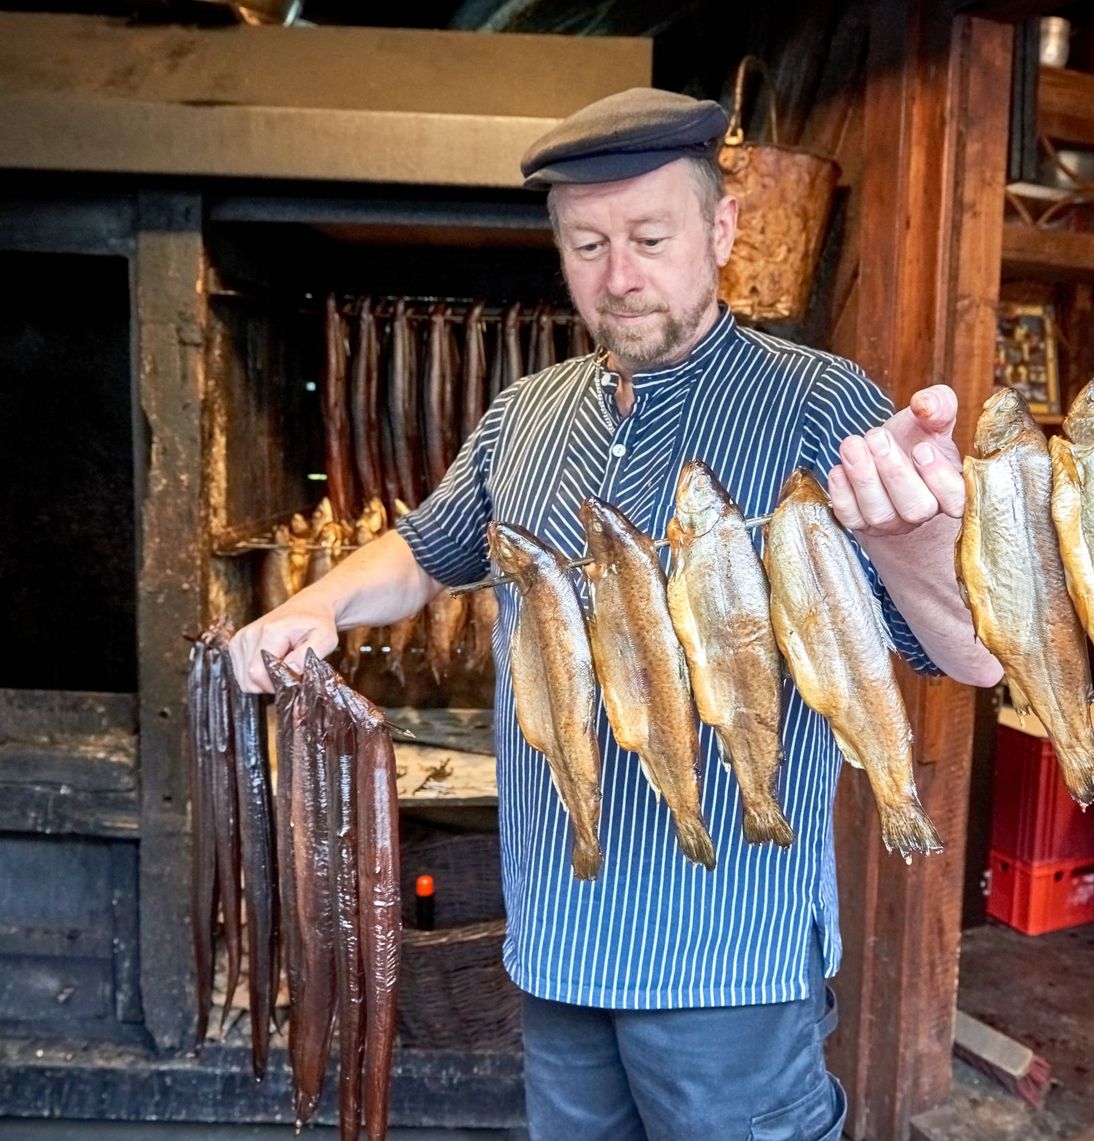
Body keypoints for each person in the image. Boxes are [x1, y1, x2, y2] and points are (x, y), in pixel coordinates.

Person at [229, 86, 1002, 1141]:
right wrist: (315, 605)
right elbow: (427, 549)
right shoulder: (526, 414)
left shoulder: (822, 405)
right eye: (586, 244)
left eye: (649, 236)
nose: (619, 276)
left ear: (720, 230)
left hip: (725, 958)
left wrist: (915, 541)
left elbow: (963, 653)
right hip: (554, 936)